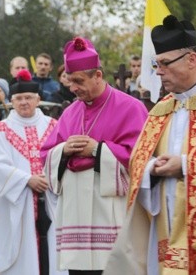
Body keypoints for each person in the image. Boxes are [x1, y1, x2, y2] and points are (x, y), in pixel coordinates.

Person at [104, 15, 196, 274]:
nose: (158, 71)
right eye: (155, 64)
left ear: (191, 60)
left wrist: (184, 166)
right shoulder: (161, 109)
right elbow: (138, 160)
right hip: (165, 229)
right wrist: (152, 169)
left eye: (163, 63)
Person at [41, 37, 148, 275]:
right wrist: (64, 151)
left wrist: (97, 150)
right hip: (75, 213)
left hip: (109, 212)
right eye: (70, 82)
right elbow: (46, 154)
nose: (73, 88)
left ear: (97, 76)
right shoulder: (69, 113)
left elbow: (140, 157)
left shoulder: (131, 108)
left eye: (79, 81)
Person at [0, 69, 67, 275]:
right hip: (16, 201)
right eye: (19, 98)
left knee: (52, 252)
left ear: (38, 99)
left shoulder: (53, 126)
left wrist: (49, 178)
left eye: (28, 98)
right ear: (11, 101)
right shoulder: (1, 130)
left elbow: (62, 156)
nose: (24, 102)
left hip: (51, 198)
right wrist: (26, 180)